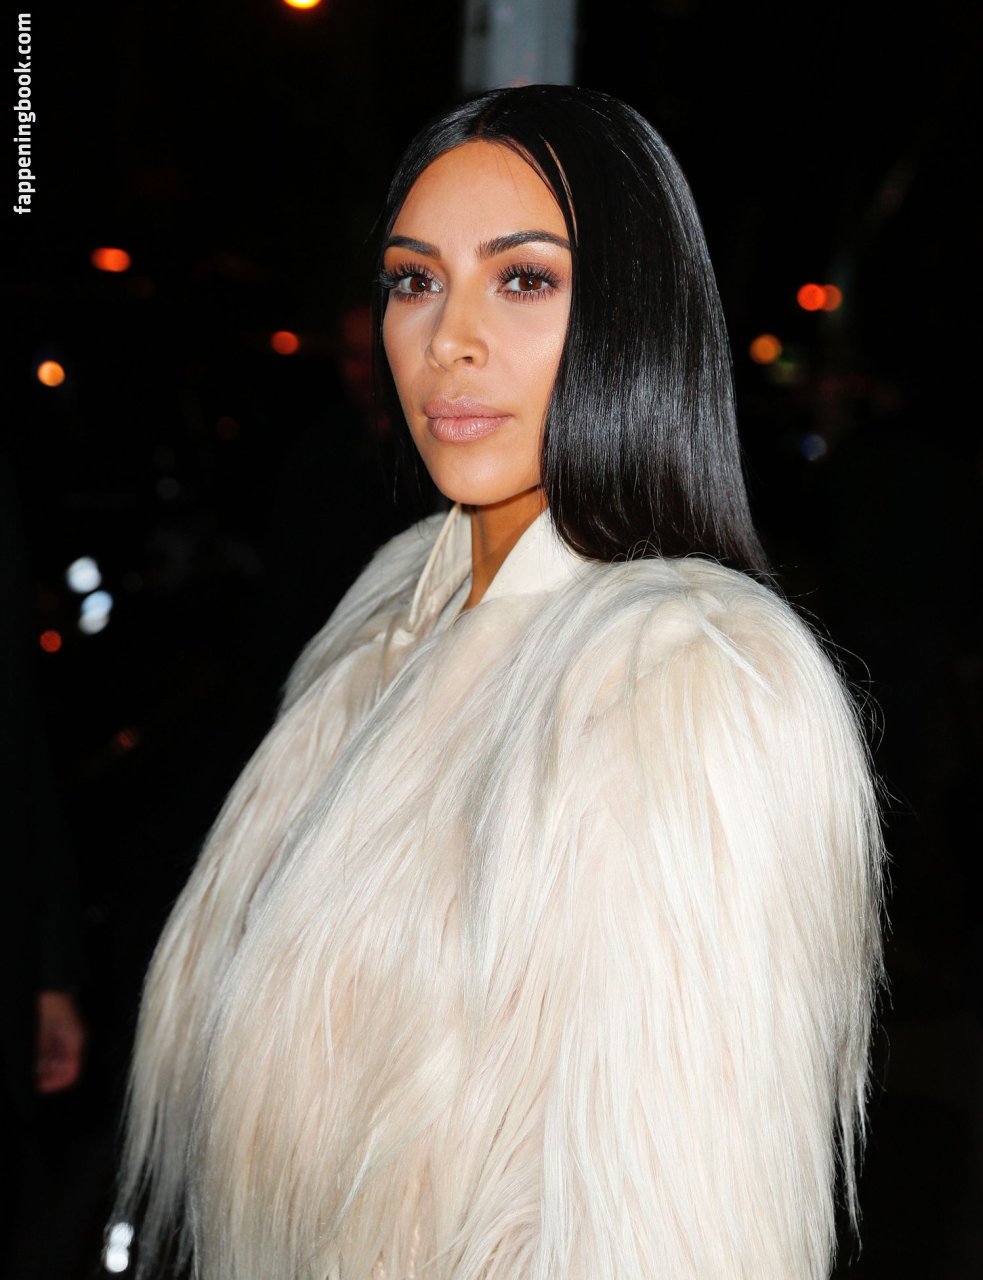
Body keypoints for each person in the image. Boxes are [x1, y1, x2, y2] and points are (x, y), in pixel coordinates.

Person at [114, 85, 885, 1279]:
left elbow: (669, 1231)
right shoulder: (389, 619)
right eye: (413, 279)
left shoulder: (687, 688)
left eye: (522, 278)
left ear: (631, 316)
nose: (447, 337)